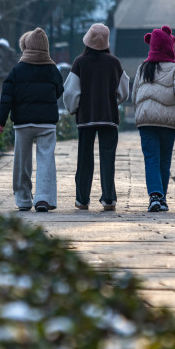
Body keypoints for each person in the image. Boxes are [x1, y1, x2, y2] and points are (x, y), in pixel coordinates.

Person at [0, 27, 64, 212]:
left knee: (22, 163)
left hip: (23, 123)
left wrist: (1, 120)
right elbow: (60, 90)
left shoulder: (17, 70)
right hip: (47, 124)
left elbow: (7, 97)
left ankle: (23, 199)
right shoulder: (52, 69)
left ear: (27, 46)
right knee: (46, 160)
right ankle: (43, 198)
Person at [63, 23, 130, 211]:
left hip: (86, 118)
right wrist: (114, 102)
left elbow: (70, 92)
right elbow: (124, 90)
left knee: (84, 159)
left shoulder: (80, 62)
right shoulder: (114, 63)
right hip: (109, 117)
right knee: (108, 158)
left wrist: (73, 108)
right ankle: (109, 199)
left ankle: (82, 199)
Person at [132, 25, 175, 212]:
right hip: (168, 122)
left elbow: (134, 94)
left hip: (146, 121)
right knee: (164, 160)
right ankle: (162, 198)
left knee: (151, 159)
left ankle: (155, 196)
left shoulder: (143, 67)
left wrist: (142, 110)